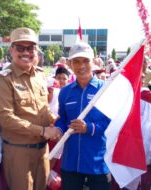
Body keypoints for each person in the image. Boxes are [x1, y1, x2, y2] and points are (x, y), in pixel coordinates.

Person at [0, 27, 60, 190]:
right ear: (11, 50)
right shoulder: (3, 80)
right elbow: (6, 119)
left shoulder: (40, 75)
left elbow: (43, 109)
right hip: (18, 152)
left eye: (30, 48)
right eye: (20, 48)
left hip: (42, 151)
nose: (26, 52)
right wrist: (43, 131)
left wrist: (55, 120)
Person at [54, 41, 111, 190]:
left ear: (94, 62)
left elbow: (111, 122)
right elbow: (62, 119)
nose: (81, 66)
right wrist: (58, 129)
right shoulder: (65, 92)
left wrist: (89, 128)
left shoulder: (105, 89)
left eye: (86, 61)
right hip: (70, 160)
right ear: (70, 64)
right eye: (76, 62)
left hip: (97, 160)